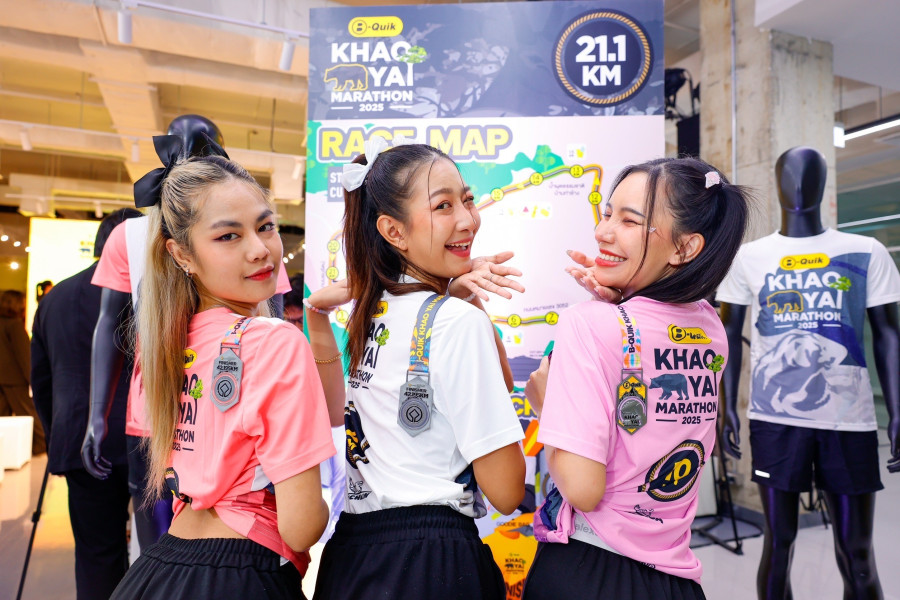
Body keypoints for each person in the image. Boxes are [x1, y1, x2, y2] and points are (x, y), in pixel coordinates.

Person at [109, 139, 335, 599]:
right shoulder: (273, 341)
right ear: (182, 255)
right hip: (242, 574)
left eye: (266, 227)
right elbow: (301, 526)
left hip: (156, 573)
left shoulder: (163, 347)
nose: (260, 249)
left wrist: (318, 321)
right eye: (229, 236)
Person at [521, 157, 751, 600]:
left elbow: (583, 490)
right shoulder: (711, 327)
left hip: (588, 573)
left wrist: (548, 407)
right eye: (608, 213)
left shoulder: (588, 323)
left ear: (685, 248)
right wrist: (619, 303)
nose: (602, 231)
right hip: (676, 580)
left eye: (629, 221)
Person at [309, 136, 526, 600]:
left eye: (467, 199)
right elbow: (507, 492)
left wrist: (462, 297)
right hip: (433, 565)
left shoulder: (371, 312)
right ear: (394, 231)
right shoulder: (454, 322)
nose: (467, 219)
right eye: (443, 206)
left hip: (351, 556)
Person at [82, 115, 293, 553]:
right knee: (162, 541)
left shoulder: (247, 233)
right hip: (156, 410)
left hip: (232, 406)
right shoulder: (129, 235)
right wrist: (96, 415)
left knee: (226, 528)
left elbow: (268, 314)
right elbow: (108, 324)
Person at [717, 146, 900, 599]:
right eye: (790, 175)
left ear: (822, 182)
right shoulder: (749, 257)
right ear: (777, 183)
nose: (798, 185)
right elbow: (727, 335)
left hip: (849, 422)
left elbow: (888, 335)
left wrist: (898, 412)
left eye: (808, 175)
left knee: (857, 552)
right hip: (775, 422)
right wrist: (725, 408)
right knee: (779, 544)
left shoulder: (865, 252)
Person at [31, 208, 142, 600]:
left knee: (96, 554)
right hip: (147, 438)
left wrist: (56, 436)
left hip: (81, 439)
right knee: (162, 549)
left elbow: (42, 379)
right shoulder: (148, 290)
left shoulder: (55, 298)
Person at [0, 289, 46, 454]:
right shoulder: (14, 325)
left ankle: (7, 450)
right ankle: (41, 445)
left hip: (3, 378)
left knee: (3, 417)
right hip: (15, 380)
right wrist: (32, 379)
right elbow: (24, 356)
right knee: (29, 413)